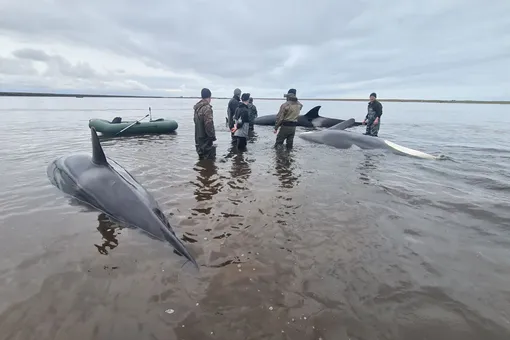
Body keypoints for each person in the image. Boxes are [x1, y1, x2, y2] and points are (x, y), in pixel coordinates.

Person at [193, 88, 216, 160]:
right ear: (209, 97)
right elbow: (208, 124)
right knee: (210, 163)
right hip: (206, 141)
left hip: (198, 140)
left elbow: (195, 121)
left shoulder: (197, 108)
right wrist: (212, 136)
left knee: (201, 161)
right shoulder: (207, 108)